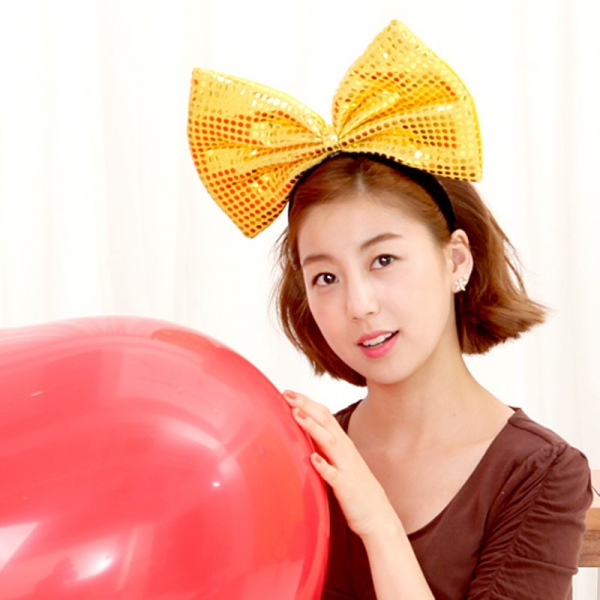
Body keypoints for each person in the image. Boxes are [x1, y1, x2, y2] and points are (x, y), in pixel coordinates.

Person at [187, 20, 592, 600]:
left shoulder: (540, 472)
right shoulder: (295, 457)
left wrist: (376, 520)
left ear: (456, 260)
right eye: (326, 277)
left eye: (383, 260)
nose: (359, 305)